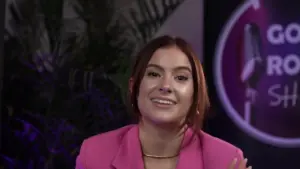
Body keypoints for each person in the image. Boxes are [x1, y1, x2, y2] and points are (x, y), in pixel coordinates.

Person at [75, 35, 252, 169]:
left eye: (180, 77)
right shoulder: (95, 154)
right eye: (153, 74)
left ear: (195, 93)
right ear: (133, 86)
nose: (166, 86)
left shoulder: (225, 159)